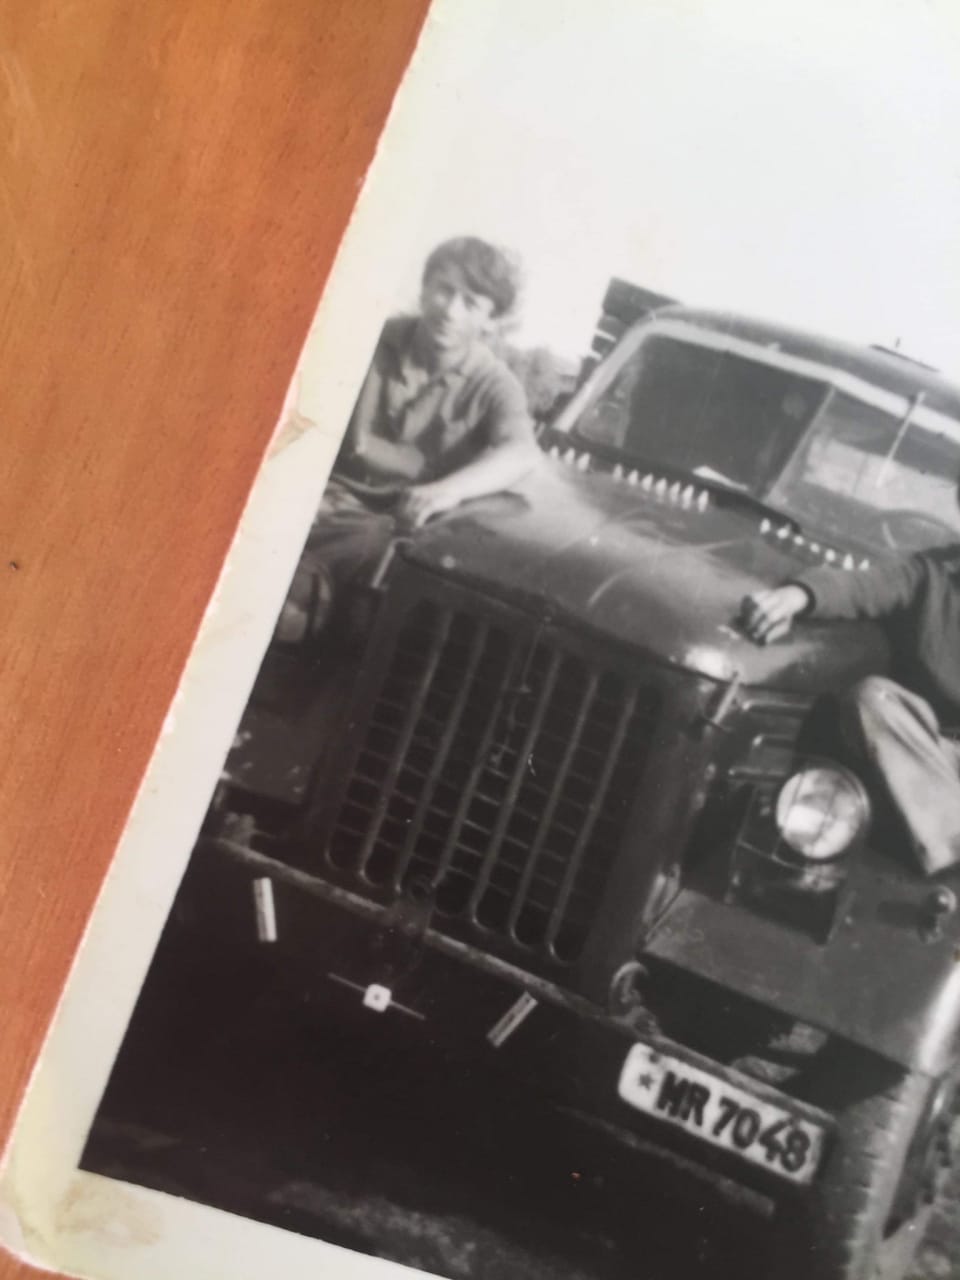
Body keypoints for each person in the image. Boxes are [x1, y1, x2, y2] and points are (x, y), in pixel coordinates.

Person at [276, 236, 538, 643]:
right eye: (444, 289)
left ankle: (298, 600)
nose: (450, 310)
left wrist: (448, 491)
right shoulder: (370, 338)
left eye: (471, 303)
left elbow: (521, 453)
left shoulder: (494, 384)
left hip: (386, 521)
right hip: (314, 494)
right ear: (425, 287)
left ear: (491, 320)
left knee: (363, 559)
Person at [740, 546, 960, 875]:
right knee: (872, 697)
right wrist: (795, 597)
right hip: (930, 751)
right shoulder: (932, 574)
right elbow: (863, 586)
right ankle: (952, 853)